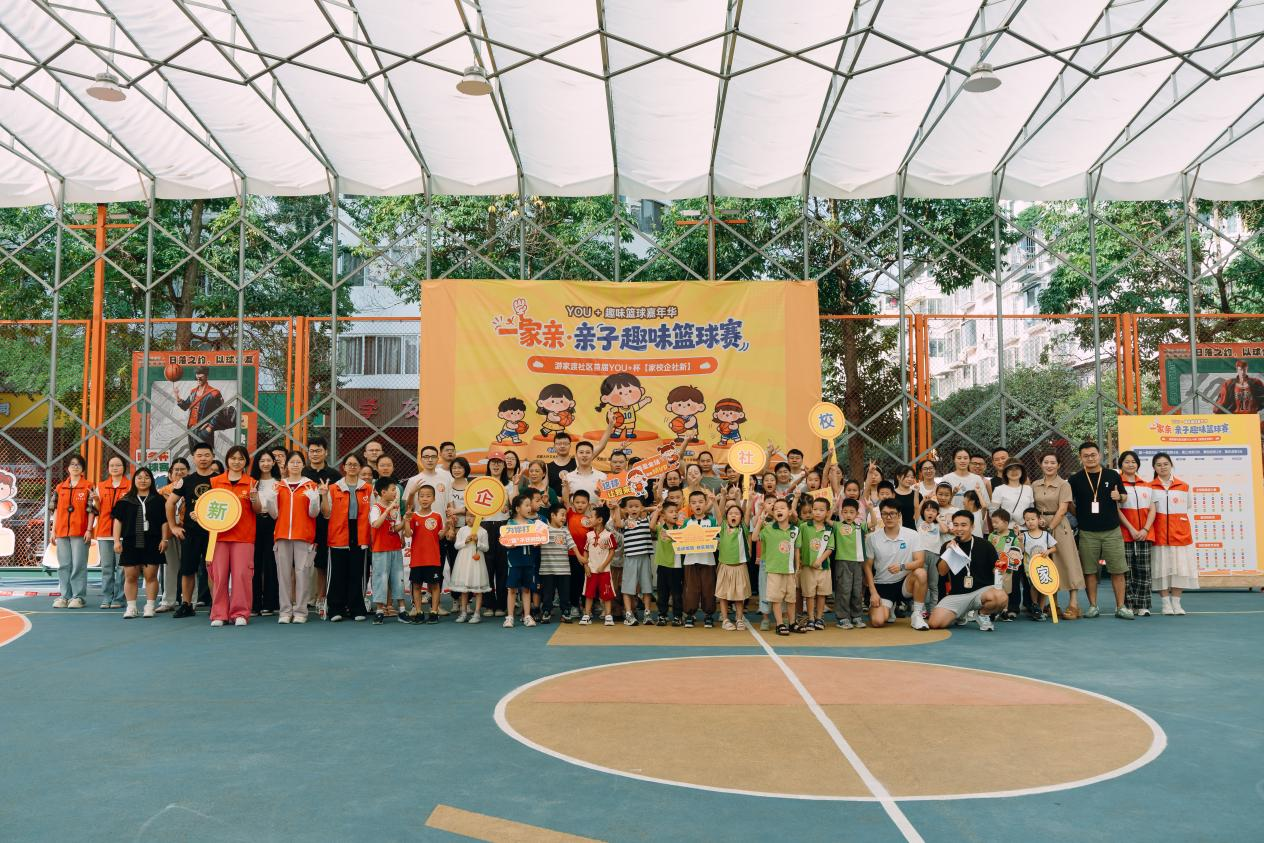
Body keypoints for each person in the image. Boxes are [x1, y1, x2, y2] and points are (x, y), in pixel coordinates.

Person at [1067, 441, 1132, 619]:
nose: (1090, 458)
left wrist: (1119, 496)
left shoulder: (1112, 475)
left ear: (1100, 455)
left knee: (1118, 570)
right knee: (1090, 571)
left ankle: (1121, 607)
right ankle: (1093, 606)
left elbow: (1124, 496)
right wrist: (1080, 515)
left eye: (1093, 455)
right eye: (1086, 456)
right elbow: (1068, 502)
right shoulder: (1075, 479)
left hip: (1112, 530)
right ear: (1080, 458)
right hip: (1087, 532)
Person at [206, 445, 262, 627]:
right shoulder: (215, 481)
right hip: (218, 537)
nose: (236, 462)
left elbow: (258, 510)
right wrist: (198, 515)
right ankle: (219, 614)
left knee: (241, 575)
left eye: (241, 459)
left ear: (246, 462)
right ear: (227, 460)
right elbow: (207, 506)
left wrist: (254, 498)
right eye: (233, 458)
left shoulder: (252, 482)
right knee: (219, 576)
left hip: (243, 537)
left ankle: (240, 613)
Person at [929, 511, 1009, 630]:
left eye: (963, 525)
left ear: (972, 527)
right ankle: (960, 614)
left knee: (1001, 597)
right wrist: (949, 552)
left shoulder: (985, 545)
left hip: (982, 593)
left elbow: (996, 569)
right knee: (935, 624)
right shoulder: (948, 545)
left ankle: (982, 614)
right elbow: (942, 572)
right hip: (957, 594)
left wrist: (1000, 569)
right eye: (956, 525)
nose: (959, 529)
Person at [165, 442, 218, 619]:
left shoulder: (220, 480)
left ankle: (216, 605)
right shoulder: (186, 481)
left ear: (213, 457)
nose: (203, 459)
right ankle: (187, 605)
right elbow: (170, 503)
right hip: (191, 532)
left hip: (214, 533)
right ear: (194, 458)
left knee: (213, 570)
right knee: (188, 569)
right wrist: (173, 527)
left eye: (207, 455)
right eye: (199, 455)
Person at [320, 453, 372, 623]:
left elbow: (373, 513)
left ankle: (356, 608)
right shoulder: (333, 488)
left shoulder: (368, 488)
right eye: (349, 464)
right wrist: (323, 495)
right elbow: (326, 513)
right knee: (337, 574)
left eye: (355, 464)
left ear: (360, 467)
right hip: (339, 534)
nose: (352, 467)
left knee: (357, 574)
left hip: (360, 534)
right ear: (343, 467)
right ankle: (335, 609)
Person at [1031, 451, 1084, 619]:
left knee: (1068, 562)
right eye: (1046, 462)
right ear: (1041, 464)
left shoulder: (1064, 485)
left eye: (1053, 462)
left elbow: (1063, 509)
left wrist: (1050, 528)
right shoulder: (1035, 484)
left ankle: (1074, 604)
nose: (1049, 465)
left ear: (1059, 465)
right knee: (1047, 564)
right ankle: (1053, 604)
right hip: (1039, 527)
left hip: (1059, 527)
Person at [270, 450, 320, 624]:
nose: (295, 465)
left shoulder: (310, 485)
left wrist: (314, 500)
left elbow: (314, 514)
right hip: (282, 535)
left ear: (303, 465)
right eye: (292, 462)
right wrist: (270, 500)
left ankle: (301, 611)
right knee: (283, 575)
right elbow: (274, 514)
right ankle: (285, 611)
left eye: (299, 462)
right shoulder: (278, 486)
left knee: (303, 573)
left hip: (303, 536)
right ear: (286, 466)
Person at [111, 467, 168, 619]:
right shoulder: (124, 501)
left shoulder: (159, 500)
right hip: (131, 541)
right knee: (130, 576)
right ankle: (131, 607)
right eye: (139, 477)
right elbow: (117, 522)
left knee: (151, 576)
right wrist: (116, 541)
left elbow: (164, 522)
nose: (143, 480)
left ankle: (150, 606)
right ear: (134, 480)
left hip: (153, 541)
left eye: (147, 477)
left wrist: (164, 539)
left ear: (152, 480)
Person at [865, 500, 930, 630]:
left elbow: (920, 561)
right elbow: (867, 566)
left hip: (904, 583)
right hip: (882, 584)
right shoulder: (872, 538)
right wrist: (873, 592)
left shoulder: (912, 535)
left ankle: (917, 614)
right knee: (878, 621)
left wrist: (902, 566)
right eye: (885, 514)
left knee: (921, 573)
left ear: (899, 515)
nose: (889, 517)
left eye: (892, 513)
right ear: (881, 515)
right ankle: (889, 607)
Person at [1149, 452, 1199, 615]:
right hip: (1159, 535)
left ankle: (1177, 604)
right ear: (1154, 468)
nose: (1162, 467)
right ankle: (1165, 604)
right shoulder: (1149, 487)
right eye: (1158, 465)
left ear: (1171, 465)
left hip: (1179, 534)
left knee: (1180, 570)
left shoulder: (1184, 486)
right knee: (1160, 570)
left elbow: (1187, 506)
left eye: (1166, 464)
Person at [302, 436, 340, 615]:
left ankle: (321, 597)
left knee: (322, 563)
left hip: (326, 524)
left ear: (326, 452)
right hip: (304, 523)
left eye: (318, 450)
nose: (315, 454)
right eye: (311, 451)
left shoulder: (335, 476)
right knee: (301, 563)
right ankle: (300, 599)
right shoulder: (302, 474)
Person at [1117, 450, 1156, 616]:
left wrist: (1145, 529)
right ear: (1121, 465)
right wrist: (1132, 529)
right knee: (1126, 571)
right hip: (1125, 534)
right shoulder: (1117, 485)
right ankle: (1128, 604)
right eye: (1126, 462)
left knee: (1144, 570)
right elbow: (1116, 510)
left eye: (1133, 462)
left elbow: (1153, 509)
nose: (1130, 464)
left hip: (1145, 535)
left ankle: (1143, 605)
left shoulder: (1146, 485)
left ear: (1138, 464)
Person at [757, 497, 804, 636]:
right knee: (776, 599)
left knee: (791, 599)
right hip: (773, 570)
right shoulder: (768, 528)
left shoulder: (795, 530)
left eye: (782, 508)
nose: (779, 510)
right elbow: (754, 538)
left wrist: (798, 567)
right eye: (776, 509)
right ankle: (779, 624)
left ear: (789, 512)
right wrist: (760, 522)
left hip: (790, 570)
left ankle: (792, 623)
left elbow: (797, 550)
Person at [50, 455, 92, 609]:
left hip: (80, 532)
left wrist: (89, 530)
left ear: (83, 468)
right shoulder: (59, 487)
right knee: (64, 565)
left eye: (78, 464)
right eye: (72, 464)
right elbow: (54, 510)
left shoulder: (88, 486)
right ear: (67, 468)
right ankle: (64, 596)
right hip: (61, 532)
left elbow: (92, 510)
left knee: (78, 565)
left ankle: (78, 597)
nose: (75, 467)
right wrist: (53, 530)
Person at [89, 455, 131, 610]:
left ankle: (119, 598)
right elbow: (97, 511)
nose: (115, 468)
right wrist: (96, 500)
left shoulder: (130, 486)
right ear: (108, 468)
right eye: (112, 465)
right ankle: (107, 597)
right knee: (107, 567)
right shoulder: (101, 486)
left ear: (124, 468)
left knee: (122, 568)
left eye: (118, 465)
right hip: (104, 532)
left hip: (123, 533)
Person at [403, 484, 447, 624]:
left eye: (428, 496)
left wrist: (447, 529)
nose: (425, 499)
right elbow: (408, 534)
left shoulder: (437, 516)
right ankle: (419, 611)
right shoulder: (413, 516)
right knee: (416, 586)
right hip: (417, 559)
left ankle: (434, 612)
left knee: (434, 586)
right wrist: (406, 520)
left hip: (433, 559)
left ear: (433, 499)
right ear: (418, 498)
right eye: (421, 496)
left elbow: (440, 536)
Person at [368, 477, 406, 624]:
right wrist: (388, 510)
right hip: (380, 549)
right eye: (393, 490)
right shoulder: (376, 508)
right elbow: (376, 524)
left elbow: (395, 528)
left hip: (395, 547)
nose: (395, 492)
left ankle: (402, 610)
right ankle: (379, 611)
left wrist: (406, 520)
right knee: (381, 579)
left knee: (398, 578)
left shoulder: (395, 508)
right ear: (383, 492)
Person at [612, 496, 654, 626]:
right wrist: (617, 508)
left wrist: (646, 509)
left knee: (647, 587)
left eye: (637, 506)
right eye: (630, 506)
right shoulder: (626, 522)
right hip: (630, 558)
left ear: (642, 508)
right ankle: (629, 614)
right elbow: (617, 524)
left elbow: (656, 512)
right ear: (625, 509)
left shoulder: (647, 520)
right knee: (628, 587)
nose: (634, 509)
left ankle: (647, 614)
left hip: (644, 558)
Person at [481, 455, 514, 618]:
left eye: (499, 463)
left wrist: (509, 504)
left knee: (502, 567)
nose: (496, 465)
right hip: (485, 526)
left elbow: (514, 504)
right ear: (488, 465)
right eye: (493, 462)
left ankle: (501, 604)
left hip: (503, 526)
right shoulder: (481, 483)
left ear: (504, 466)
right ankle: (488, 604)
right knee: (486, 566)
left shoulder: (510, 485)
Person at [502, 493, 541, 628]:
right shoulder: (510, 523)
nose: (529, 508)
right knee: (512, 589)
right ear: (518, 508)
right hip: (514, 561)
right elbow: (506, 543)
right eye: (526, 505)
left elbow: (537, 541)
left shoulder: (532, 524)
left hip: (528, 561)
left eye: (530, 505)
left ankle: (527, 616)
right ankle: (510, 617)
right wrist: (509, 545)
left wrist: (537, 542)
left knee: (526, 589)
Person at [681, 489, 718, 628]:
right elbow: (681, 539)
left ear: (706, 503)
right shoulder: (686, 522)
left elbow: (717, 537)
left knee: (708, 589)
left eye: (701, 502)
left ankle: (709, 615)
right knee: (691, 589)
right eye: (694, 502)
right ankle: (690, 615)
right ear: (690, 505)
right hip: (690, 560)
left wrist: (716, 541)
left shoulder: (712, 521)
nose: (697, 505)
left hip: (708, 560)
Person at [796, 497, 834, 630]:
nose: (817, 512)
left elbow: (830, 548)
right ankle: (811, 618)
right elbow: (798, 546)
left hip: (824, 568)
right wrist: (799, 562)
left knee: (822, 594)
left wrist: (820, 560)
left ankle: (819, 618)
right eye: (815, 509)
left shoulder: (829, 529)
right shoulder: (804, 527)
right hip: (807, 567)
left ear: (827, 512)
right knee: (809, 595)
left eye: (821, 510)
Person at [155, 457, 188, 613]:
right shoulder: (162, 492)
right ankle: (168, 601)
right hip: (168, 532)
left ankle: (191, 600)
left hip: (188, 532)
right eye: (176, 470)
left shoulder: (191, 488)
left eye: (183, 469)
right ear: (170, 474)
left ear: (188, 472)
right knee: (170, 567)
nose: (179, 472)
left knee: (189, 567)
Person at [250, 449, 280, 617]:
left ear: (274, 463)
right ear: (257, 463)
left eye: (269, 460)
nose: (266, 464)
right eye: (262, 461)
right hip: (254, 522)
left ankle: (270, 603)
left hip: (273, 522)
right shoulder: (252, 482)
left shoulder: (279, 483)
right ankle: (254, 604)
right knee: (254, 563)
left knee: (271, 563)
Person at [539, 502, 580, 624]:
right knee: (547, 594)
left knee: (564, 593)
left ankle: (566, 611)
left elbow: (572, 545)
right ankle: (546, 611)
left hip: (563, 570)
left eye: (565, 515)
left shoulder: (565, 531)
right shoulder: (544, 530)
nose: (564, 518)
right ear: (552, 515)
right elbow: (536, 542)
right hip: (547, 569)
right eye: (562, 515)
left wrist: (579, 557)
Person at [714, 502, 751, 631]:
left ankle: (739, 619)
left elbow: (747, 514)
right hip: (725, 566)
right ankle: (725, 619)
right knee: (723, 596)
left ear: (741, 517)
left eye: (737, 513)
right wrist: (714, 502)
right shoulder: (723, 527)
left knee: (739, 596)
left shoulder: (743, 528)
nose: (733, 515)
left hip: (740, 567)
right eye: (730, 513)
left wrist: (750, 500)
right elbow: (718, 515)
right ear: (726, 517)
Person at [831, 497, 866, 629]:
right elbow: (827, 520)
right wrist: (834, 506)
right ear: (841, 513)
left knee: (857, 590)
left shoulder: (859, 526)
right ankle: (843, 618)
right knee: (844, 590)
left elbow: (874, 523)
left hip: (857, 562)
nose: (848, 515)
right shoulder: (838, 525)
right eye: (845, 512)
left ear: (857, 514)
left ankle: (856, 616)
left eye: (852, 512)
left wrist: (869, 508)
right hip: (842, 562)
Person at [173, 365, 225, 455]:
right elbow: (185, 406)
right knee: (194, 454)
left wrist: (210, 427)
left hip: (203, 429)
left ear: (206, 376)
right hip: (191, 428)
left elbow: (220, 412)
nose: (198, 379)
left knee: (206, 453)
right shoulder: (193, 392)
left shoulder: (214, 393)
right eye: (197, 377)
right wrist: (177, 396)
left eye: (201, 377)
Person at [579, 506, 618, 626]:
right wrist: (586, 566)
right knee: (589, 593)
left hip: (604, 571)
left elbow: (612, 551)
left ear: (600, 520)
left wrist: (603, 565)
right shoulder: (589, 535)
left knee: (606, 594)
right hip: (591, 570)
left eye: (591, 516)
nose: (589, 519)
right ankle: (587, 615)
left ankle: (608, 615)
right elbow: (585, 551)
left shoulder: (608, 535)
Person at [449, 510, 489, 624]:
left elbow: (486, 548)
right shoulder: (462, 530)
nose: (469, 518)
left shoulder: (483, 531)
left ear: (479, 518)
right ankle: (463, 612)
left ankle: (477, 613)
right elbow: (456, 545)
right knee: (464, 589)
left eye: (472, 516)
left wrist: (478, 542)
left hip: (477, 562)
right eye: (467, 516)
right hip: (464, 561)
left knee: (478, 588)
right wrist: (465, 541)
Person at [987, 508, 1025, 621]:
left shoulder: (1012, 536)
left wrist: (1020, 541)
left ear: (1006, 523)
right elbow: (988, 550)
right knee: (995, 588)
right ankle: (994, 610)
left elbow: (1020, 551)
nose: (994, 525)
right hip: (995, 568)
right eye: (992, 522)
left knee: (1009, 589)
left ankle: (1008, 610)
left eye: (996, 522)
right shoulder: (992, 535)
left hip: (1009, 569)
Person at [651, 499, 684, 625]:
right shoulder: (661, 528)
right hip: (662, 565)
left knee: (676, 593)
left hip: (676, 565)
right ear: (664, 516)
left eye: (676, 511)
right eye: (671, 512)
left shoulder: (680, 528)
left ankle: (677, 616)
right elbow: (651, 526)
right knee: (662, 592)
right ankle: (662, 615)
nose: (674, 514)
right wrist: (657, 511)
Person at [1019, 507, 1053, 621]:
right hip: (1030, 566)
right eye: (1027, 520)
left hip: (1043, 566)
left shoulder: (1045, 534)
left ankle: (1041, 610)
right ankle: (1035, 605)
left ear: (1039, 519)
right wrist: (1020, 541)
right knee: (1034, 586)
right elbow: (1021, 550)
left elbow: (1054, 548)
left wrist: (1048, 551)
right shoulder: (1024, 535)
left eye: (1033, 519)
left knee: (1043, 587)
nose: (1030, 522)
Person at [916, 499, 942, 612]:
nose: (930, 513)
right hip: (921, 555)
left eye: (934, 511)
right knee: (922, 583)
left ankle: (933, 609)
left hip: (935, 555)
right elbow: (916, 509)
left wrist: (939, 519)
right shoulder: (919, 522)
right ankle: (921, 609)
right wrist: (923, 501)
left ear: (937, 513)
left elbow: (945, 529)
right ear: (923, 512)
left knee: (933, 584)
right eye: (927, 510)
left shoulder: (937, 525)